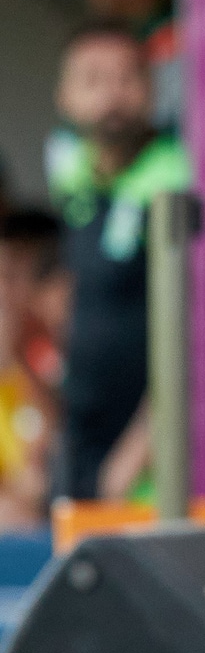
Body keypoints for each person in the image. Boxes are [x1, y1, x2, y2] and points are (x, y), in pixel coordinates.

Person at [46, 22, 191, 502]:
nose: (111, 96)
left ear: (152, 88)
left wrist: (140, 449)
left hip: (145, 460)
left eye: (126, 78)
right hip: (79, 442)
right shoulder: (71, 177)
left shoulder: (178, 180)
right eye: (92, 79)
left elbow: (200, 327)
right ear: (64, 96)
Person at [0, 210, 64, 528]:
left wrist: (17, 361)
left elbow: (46, 477)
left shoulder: (50, 353)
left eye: (11, 276)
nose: (3, 292)